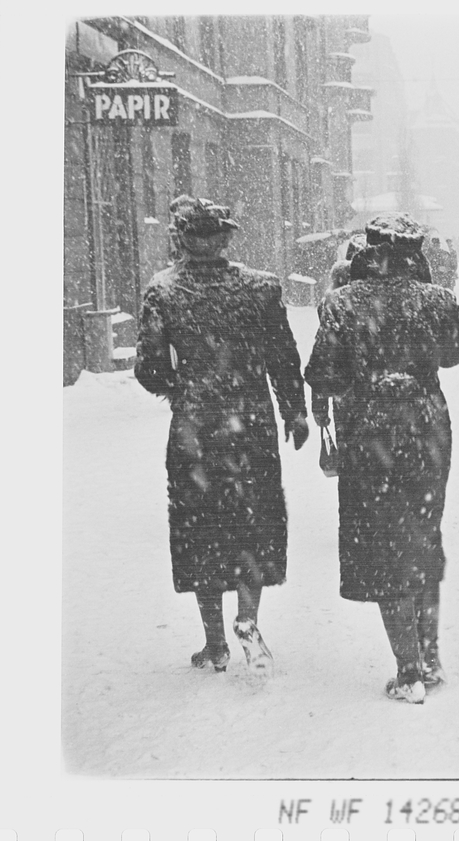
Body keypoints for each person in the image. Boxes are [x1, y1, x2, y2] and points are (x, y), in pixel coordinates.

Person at [134, 195, 309, 674]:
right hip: (250, 424)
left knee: (201, 529)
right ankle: (248, 619)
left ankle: (214, 642)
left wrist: (184, 388)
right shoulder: (260, 289)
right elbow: (283, 357)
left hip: (196, 429)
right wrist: (295, 412)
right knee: (252, 523)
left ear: (182, 239)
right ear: (228, 238)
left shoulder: (163, 292)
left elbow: (149, 368)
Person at [305, 212, 459, 704]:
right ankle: (431, 654)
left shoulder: (341, 304)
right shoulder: (436, 301)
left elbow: (323, 374)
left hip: (370, 432)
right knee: (422, 535)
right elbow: (457, 352)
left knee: (382, 547)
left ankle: (408, 670)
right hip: (426, 428)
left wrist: (363, 374)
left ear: (371, 251)